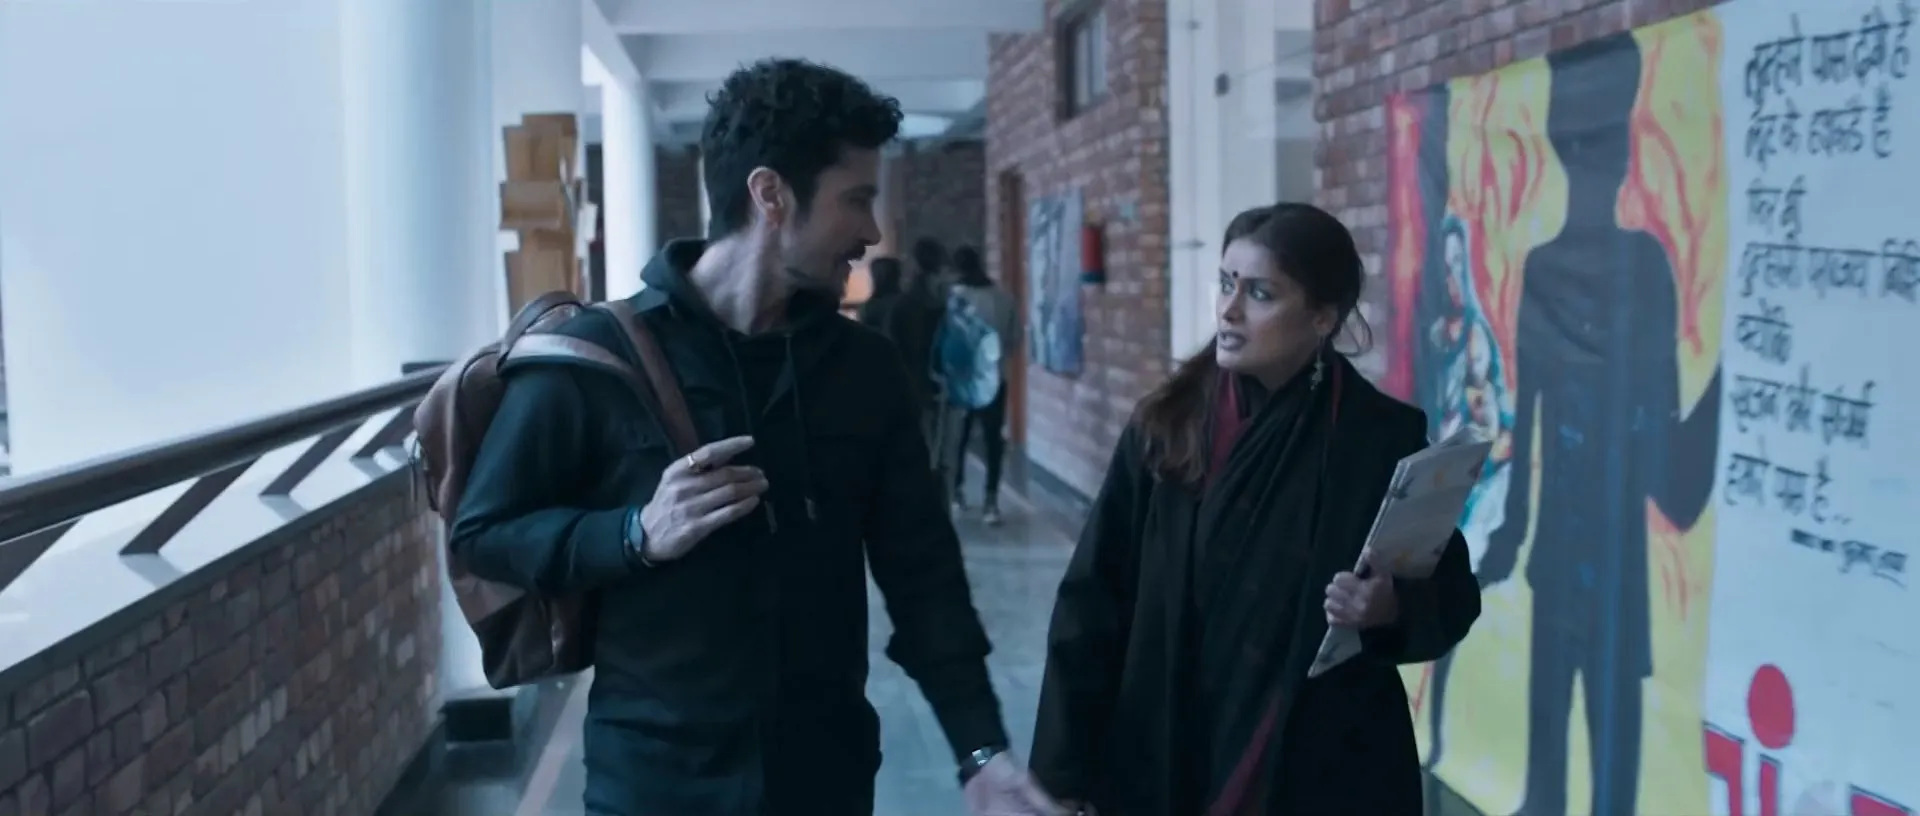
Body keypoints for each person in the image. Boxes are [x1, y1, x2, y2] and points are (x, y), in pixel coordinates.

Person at [450, 58, 1063, 816]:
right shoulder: (597, 358)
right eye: (856, 200)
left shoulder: (864, 369)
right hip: (654, 787)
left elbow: (923, 574)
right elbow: (484, 533)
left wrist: (980, 750)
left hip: (825, 782)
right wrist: (634, 533)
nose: (872, 233)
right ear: (770, 194)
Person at [1029, 202, 1483, 815]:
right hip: (1166, 747)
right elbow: (1092, 601)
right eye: (1226, 284)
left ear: (1322, 317)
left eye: (1260, 294)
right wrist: (1060, 776)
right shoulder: (1167, 426)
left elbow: (1452, 596)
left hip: (1322, 766)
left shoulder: (1377, 440)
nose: (1229, 309)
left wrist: (1389, 608)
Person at [1476, 35, 1720, 816]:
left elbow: (1659, 434)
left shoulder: (1643, 266)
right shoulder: (1551, 266)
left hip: (1611, 567)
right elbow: (1530, 419)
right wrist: (1509, 534)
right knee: (1549, 779)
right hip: (1562, 561)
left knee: (1613, 782)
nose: (1598, 165)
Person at [945, 245, 1019, 525]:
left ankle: (956, 492)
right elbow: (1014, 339)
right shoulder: (1004, 297)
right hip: (994, 379)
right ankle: (991, 501)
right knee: (992, 440)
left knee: (958, 439)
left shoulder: (952, 298)